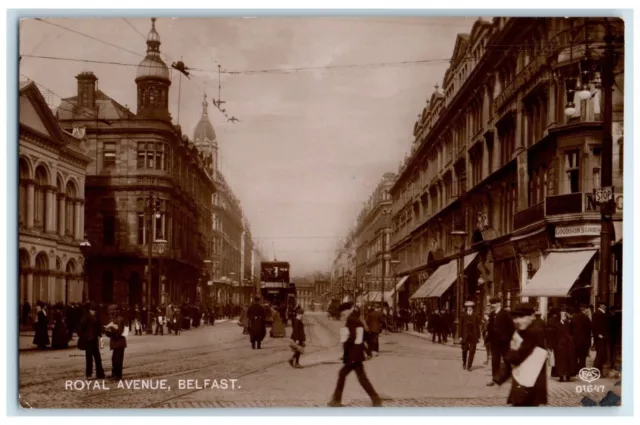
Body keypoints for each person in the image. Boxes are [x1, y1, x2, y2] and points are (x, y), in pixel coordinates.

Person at [492, 303, 548, 407]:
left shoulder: (532, 332)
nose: (516, 320)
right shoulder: (524, 331)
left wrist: (500, 376)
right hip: (526, 382)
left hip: (528, 384)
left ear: (531, 316)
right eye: (515, 317)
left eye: (521, 317)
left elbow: (517, 356)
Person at [328, 307, 382, 407]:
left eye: (343, 311)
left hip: (352, 355)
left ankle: (336, 400)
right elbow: (364, 337)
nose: (342, 313)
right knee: (361, 379)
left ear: (348, 311)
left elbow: (353, 337)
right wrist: (368, 350)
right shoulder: (357, 321)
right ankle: (376, 400)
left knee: (343, 375)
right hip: (356, 355)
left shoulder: (350, 321)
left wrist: (345, 340)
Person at [486, 297, 514, 386]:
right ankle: (495, 379)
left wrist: (509, 339)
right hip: (494, 341)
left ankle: (509, 376)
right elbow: (489, 327)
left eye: (493, 304)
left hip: (504, 341)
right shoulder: (491, 314)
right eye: (491, 304)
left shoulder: (505, 314)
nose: (492, 306)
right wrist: (488, 338)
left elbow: (511, 327)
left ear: (499, 303)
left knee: (507, 359)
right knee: (495, 360)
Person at [78, 302, 105, 379]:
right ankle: (88, 374)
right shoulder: (85, 317)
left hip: (94, 339)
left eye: (95, 310)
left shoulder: (96, 317)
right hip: (88, 341)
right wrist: (85, 337)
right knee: (89, 358)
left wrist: (102, 332)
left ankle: (100, 374)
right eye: (93, 310)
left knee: (98, 357)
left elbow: (99, 326)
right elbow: (80, 329)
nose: (94, 312)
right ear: (89, 310)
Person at [552, 307, 576, 382]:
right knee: (560, 362)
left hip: (568, 345)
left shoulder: (568, 323)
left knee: (569, 360)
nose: (563, 317)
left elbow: (573, 330)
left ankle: (568, 375)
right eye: (562, 315)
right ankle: (561, 376)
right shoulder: (556, 325)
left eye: (564, 315)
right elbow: (554, 335)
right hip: (560, 346)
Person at [104, 304, 127, 380]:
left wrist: (111, 330)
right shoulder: (113, 320)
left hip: (119, 342)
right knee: (114, 359)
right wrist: (107, 331)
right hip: (116, 342)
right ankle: (115, 374)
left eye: (112, 313)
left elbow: (118, 333)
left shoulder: (119, 319)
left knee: (117, 359)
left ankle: (117, 375)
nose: (111, 315)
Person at [460, 301, 481, 371]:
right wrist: (460, 336)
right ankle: (464, 362)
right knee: (464, 350)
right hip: (465, 335)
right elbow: (461, 326)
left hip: (473, 335)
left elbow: (478, 326)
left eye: (470, 307)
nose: (469, 308)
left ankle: (469, 365)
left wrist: (479, 336)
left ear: (473, 308)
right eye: (468, 307)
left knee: (472, 351)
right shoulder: (463, 315)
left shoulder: (476, 315)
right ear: (466, 308)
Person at [572, 304, 592, 371]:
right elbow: (589, 330)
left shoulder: (574, 317)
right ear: (585, 310)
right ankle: (581, 369)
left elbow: (571, 329)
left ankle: (574, 369)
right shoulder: (586, 318)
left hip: (575, 340)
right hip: (584, 341)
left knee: (575, 356)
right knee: (582, 357)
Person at [591, 299, 609, 375]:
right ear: (601, 305)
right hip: (599, 337)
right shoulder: (597, 314)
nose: (605, 306)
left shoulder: (602, 313)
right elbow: (594, 326)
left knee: (601, 354)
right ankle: (595, 371)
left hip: (603, 336)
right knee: (600, 354)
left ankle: (598, 371)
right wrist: (598, 335)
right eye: (604, 305)